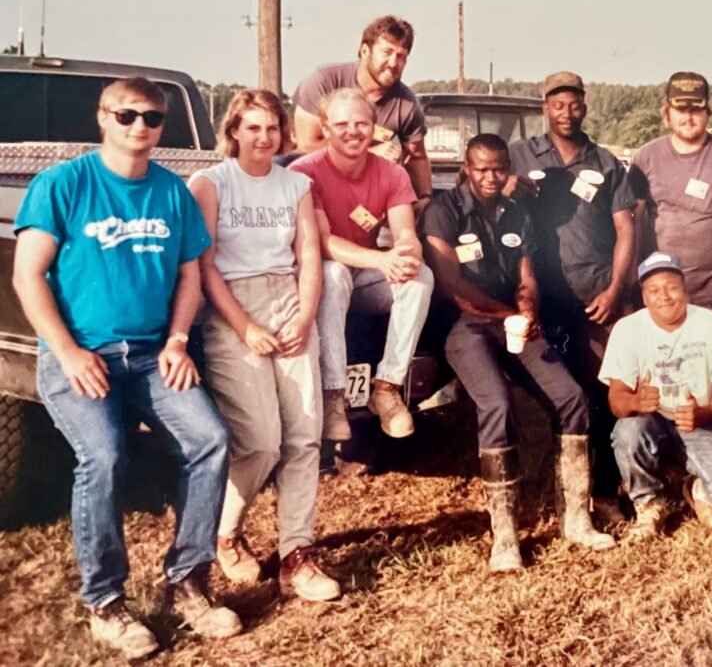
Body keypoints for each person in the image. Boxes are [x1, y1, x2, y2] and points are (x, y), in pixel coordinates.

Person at [12, 78, 240, 659]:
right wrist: (67, 352)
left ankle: (187, 584)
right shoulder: (62, 185)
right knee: (106, 456)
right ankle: (105, 603)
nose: (140, 126)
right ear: (103, 118)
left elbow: (190, 274)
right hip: (79, 356)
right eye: (128, 115)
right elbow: (27, 276)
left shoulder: (172, 192)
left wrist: (179, 339)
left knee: (210, 440)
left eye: (153, 118)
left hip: (150, 356)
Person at [421, 133, 614, 572]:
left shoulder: (516, 212)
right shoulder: (443, 211)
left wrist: (527, 308)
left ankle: (576, 517)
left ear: (509, 167)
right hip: (465, 325)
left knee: (572, 399)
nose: (491, 178)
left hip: (513, 320)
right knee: (497, 403)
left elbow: (528, 275)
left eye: (499, 169)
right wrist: (509, 311)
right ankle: (505, 535)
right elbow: (453, 286)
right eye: (482, 169)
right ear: (466, 168)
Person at [188, 89, 340, 601]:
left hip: (290, 300)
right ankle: (225, 531)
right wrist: (244, 325)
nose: (264, 137)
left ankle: (297, 554)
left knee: (304, 439)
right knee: (261, 441)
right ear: (234, 131)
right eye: (253, 127)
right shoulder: (211, 182)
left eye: (272, 128)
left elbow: (310, 256)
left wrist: (304, 314)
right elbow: (205, 264)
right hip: (233, 307)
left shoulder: (296, 184)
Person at [506, 71, 636, 513]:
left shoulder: (604, 161)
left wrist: (617, 288)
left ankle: (603, 490)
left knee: (605, 389)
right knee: (561, 392)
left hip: (597, 293)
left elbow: (626, 228)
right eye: (557, 105)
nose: (566, 113)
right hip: (546, 297)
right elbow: (489, 206)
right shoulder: (520, 155)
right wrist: (508, 190)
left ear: (585, 106)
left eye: (574, 104)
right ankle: (565, 488)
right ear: (545, 108)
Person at [291, 88, 433, 442]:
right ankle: (334, 395)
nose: (352, 131)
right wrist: (383, 259)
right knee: (333, 272)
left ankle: (386, 389)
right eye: (341, 124)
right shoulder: (304, 172)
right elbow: (324, 244)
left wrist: (406, 253)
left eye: (361, 123)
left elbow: (404, 232)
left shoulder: (391, 173)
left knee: (420, 277)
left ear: (374, 127)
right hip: (317, 277)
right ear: (324, 128)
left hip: (365, 277)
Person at [600, 252, 712, 539]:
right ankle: (649, 505)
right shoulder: (628, 329)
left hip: (701, 422)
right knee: (627, 431)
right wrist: (635, 402)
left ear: (684, 290)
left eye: (671, 287)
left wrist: (702, 414)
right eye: (653, 291)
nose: (664, 297)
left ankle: (701, 494)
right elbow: (616, 400)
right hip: (653, 422)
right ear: (644, 298)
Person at [629, 72, 712, 345]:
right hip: (666, 288)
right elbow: (633, 220)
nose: (688, 116)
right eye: (680, 109)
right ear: (666, 113)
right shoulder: (645, 157)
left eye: (696, 109)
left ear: (708, 113)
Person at [291, 15, 433, 210]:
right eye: (387, 52)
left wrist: (425, 198)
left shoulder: (406, 103)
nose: (393, 63)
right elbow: (306, 145)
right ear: (365, 51)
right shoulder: (324, 80)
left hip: (370, 199)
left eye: (401, 56)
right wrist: (368, 154)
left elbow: (417, 157)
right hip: (317, 191)